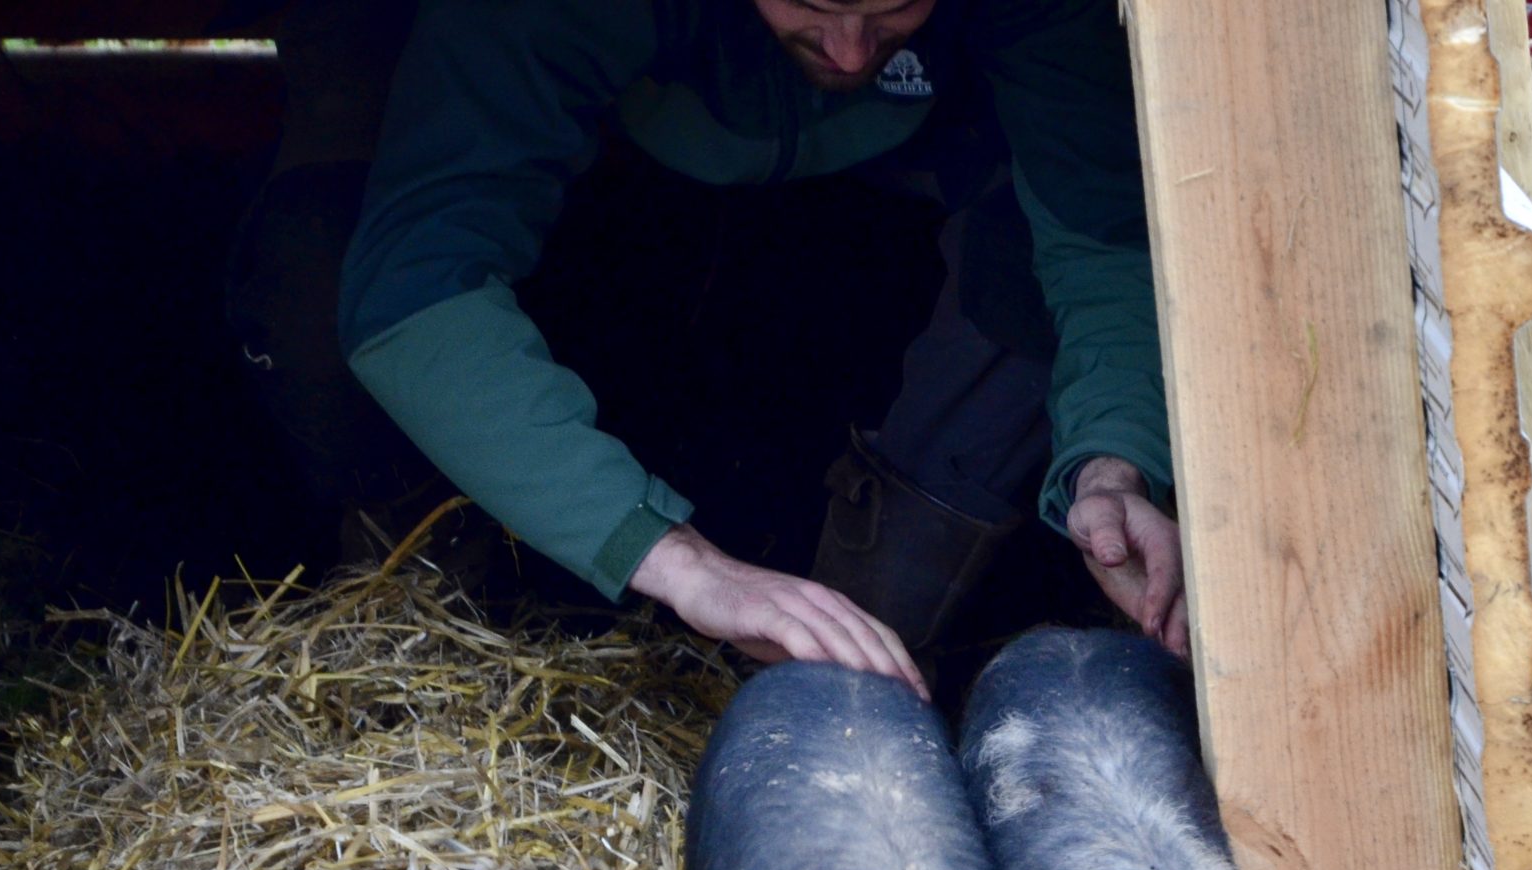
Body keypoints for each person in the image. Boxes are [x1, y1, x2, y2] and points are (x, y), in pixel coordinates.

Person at [224, 0, 1188, 695]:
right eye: (814, 3)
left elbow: (1098, 238)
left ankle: (859, 648)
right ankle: (431, 578)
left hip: (872, 238)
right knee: (318, 261)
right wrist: (686, 568)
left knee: (1013, 247)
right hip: (606, 217)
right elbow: (418, 288)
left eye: (894, 7)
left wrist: (1114, 464)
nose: (853, 48)